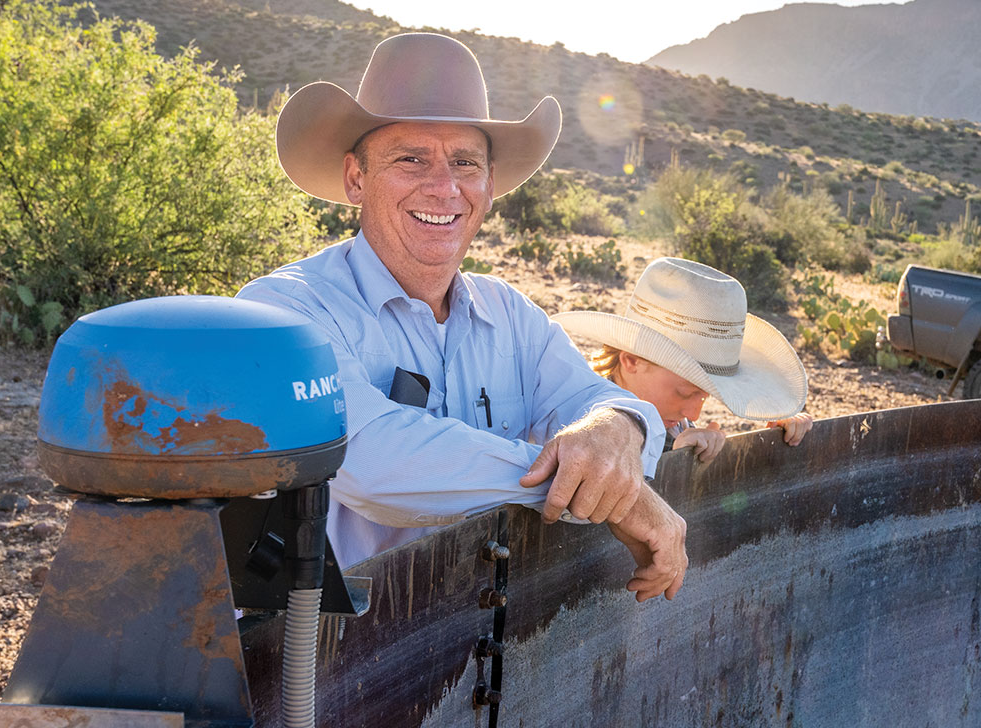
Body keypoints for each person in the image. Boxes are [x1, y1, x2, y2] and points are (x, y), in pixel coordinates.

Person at [236, 32, 687, 602]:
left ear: (490, 184)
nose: (445, 187)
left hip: (477, 654)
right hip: (329, 656)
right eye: (411, 159)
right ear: (356, 178)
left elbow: (599, 399)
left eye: (465, 162)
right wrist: (590, 484)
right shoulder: (285, 310)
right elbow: (370, 464)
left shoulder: (512, 316)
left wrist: (617, 429)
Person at [553, 257, 813, 464]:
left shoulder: (670, 421)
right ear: (632, 361)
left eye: (705, 395)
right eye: (685, 392)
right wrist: (672, 462)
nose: (694, 413)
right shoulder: (583, 421)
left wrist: (775, 434)